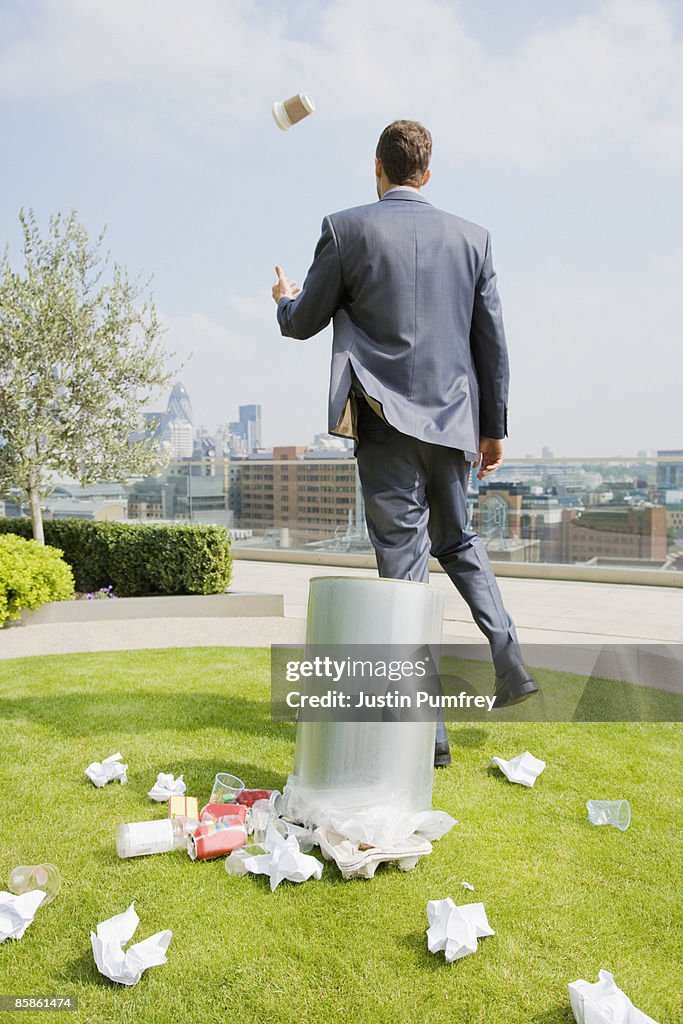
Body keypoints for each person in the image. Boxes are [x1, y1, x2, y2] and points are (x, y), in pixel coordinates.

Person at [272, 119, 538, 767]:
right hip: (452, 425)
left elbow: (304, 322)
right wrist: (492, 428)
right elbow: (491, 342)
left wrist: (285, 299)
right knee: (461, 542)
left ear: (377, 167)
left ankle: (432, 735)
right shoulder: (472, 239)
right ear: (426, 171)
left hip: (385, 426)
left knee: (403, 572)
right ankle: (509, 657)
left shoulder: (346, 229)